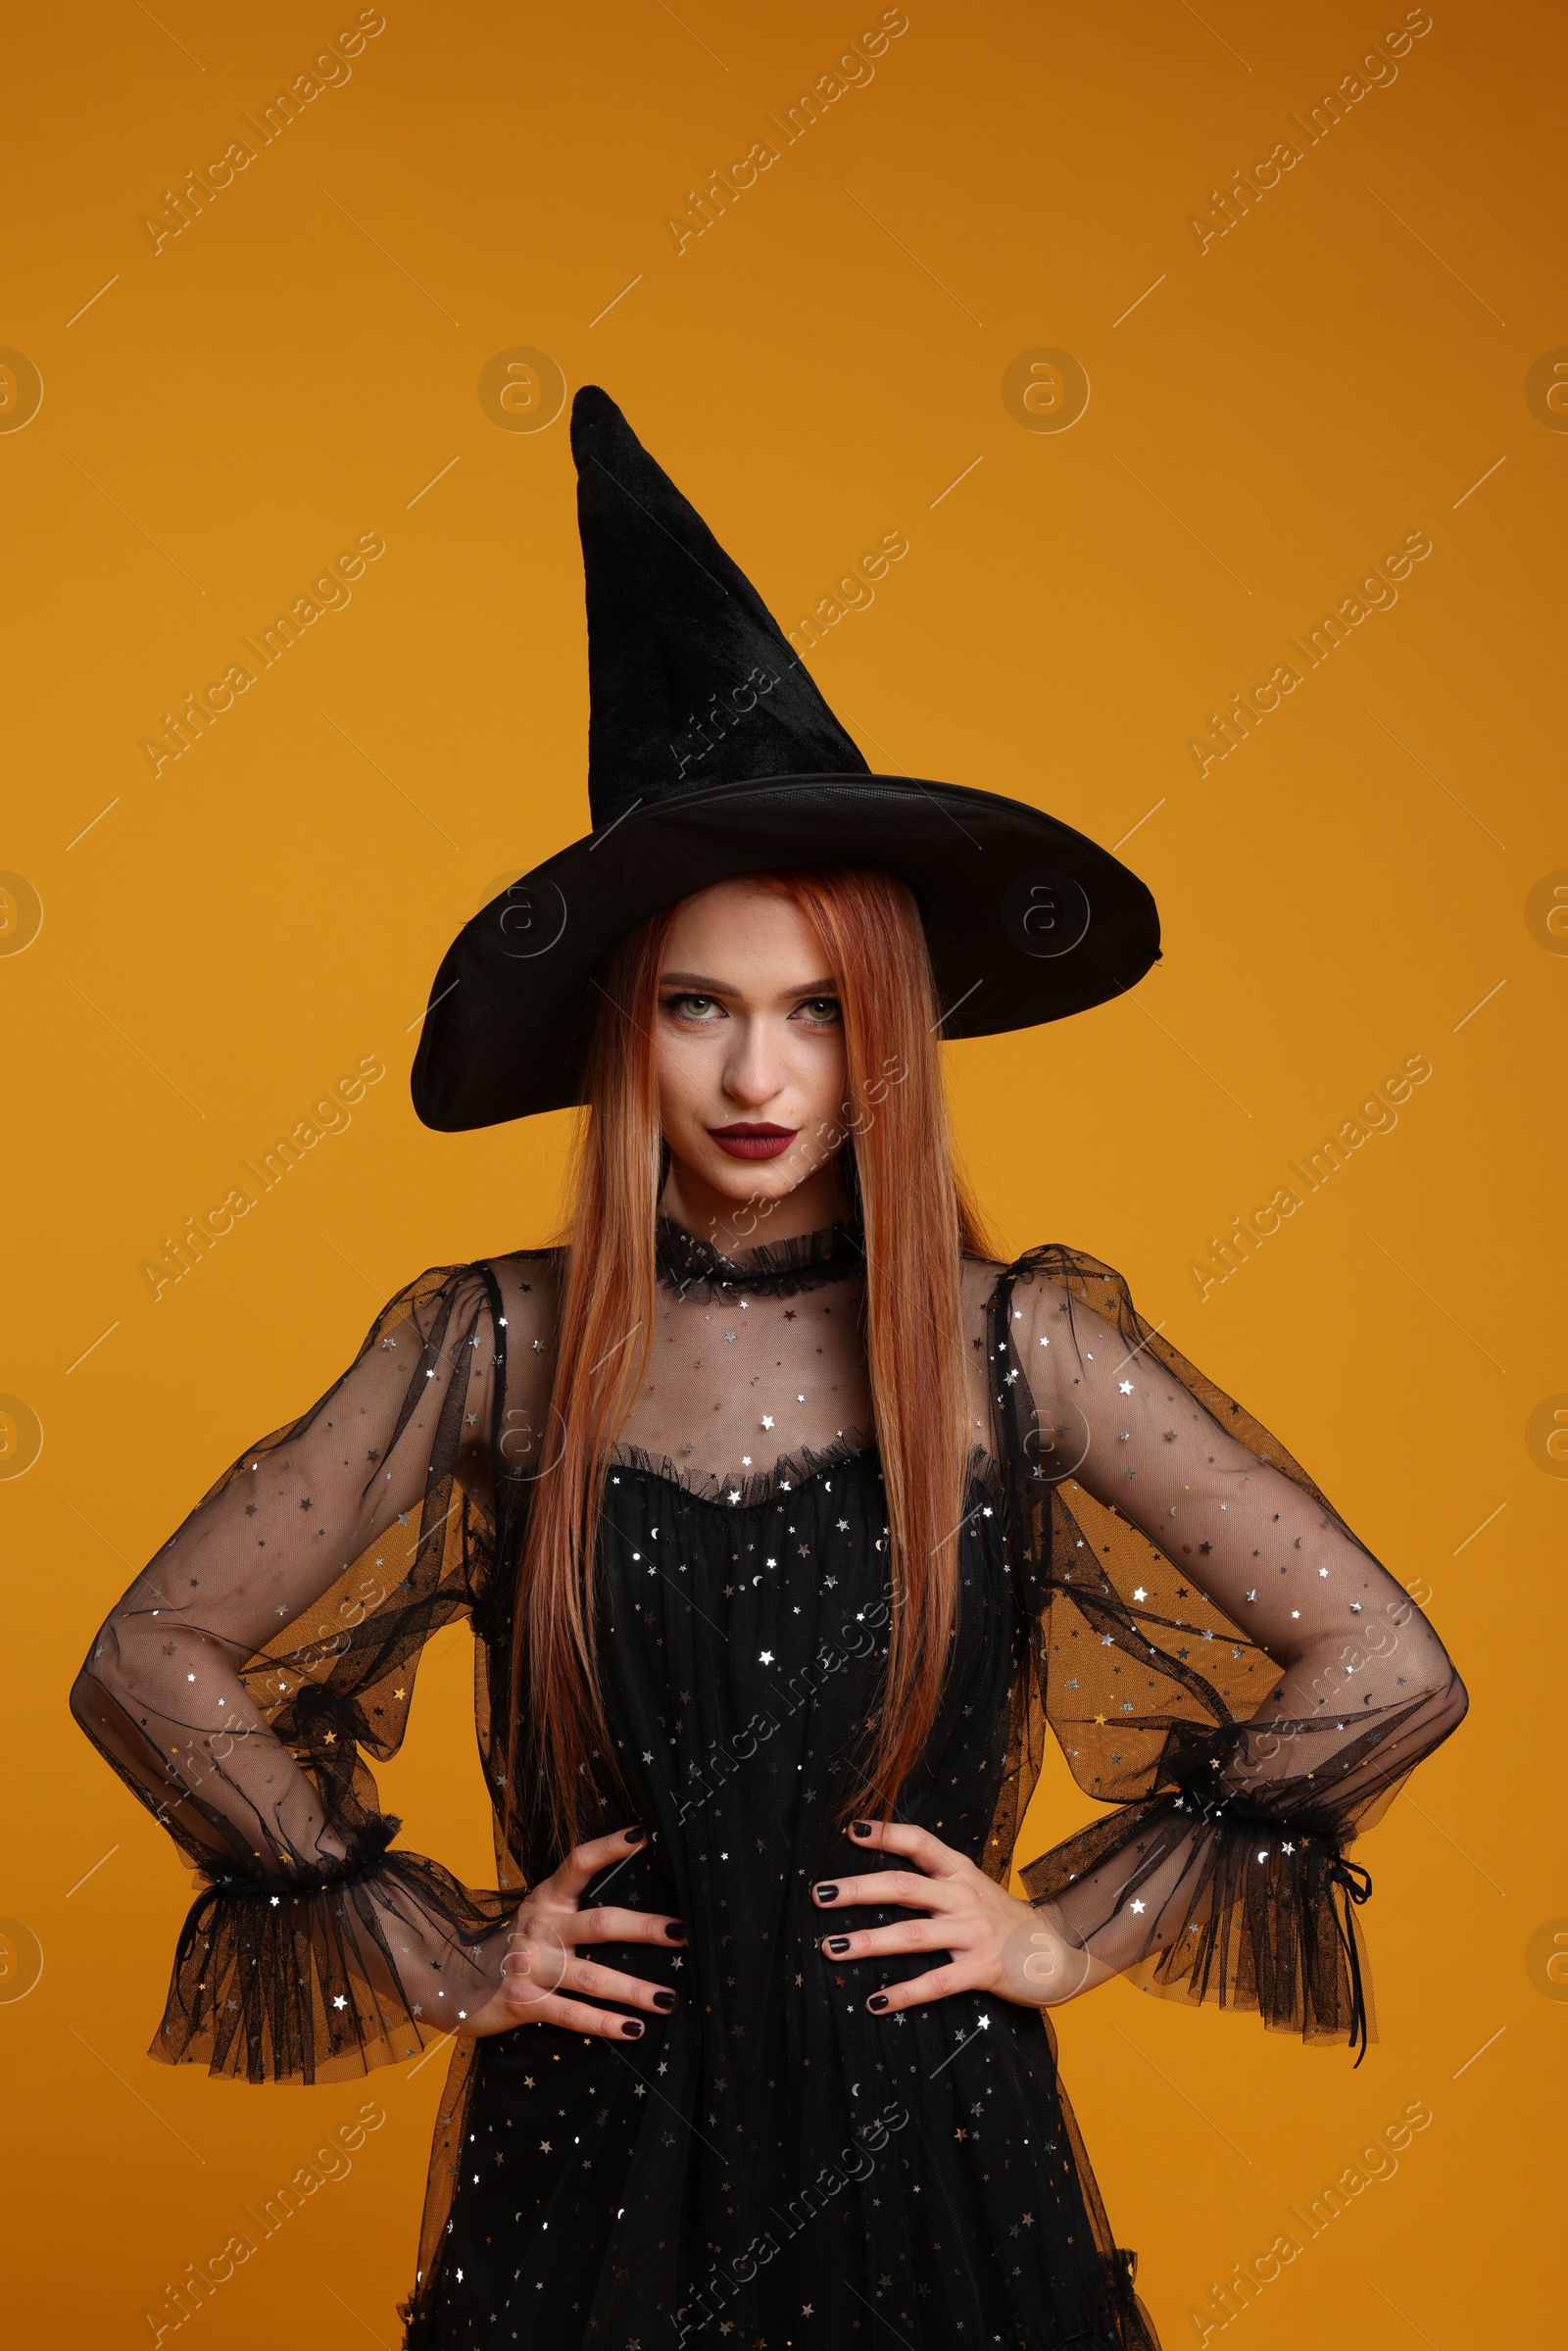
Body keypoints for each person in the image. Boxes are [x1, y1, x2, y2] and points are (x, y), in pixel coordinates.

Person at [73, 389, 1466, 2351]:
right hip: (586, 2148)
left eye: (816, 1014)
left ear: (885, 1035)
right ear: (620, 1032)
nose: (755, 1079)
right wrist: (445, 1952)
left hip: (931, 2147)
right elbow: (151, 1654)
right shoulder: (491, 1345)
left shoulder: (1020, 1350)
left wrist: (1066, 1930)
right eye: (702, 1011)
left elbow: (1384, 1670)